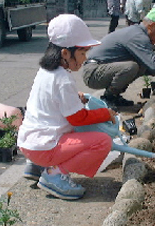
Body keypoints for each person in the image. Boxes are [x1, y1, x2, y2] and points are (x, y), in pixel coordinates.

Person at [17, 14, 117, 200]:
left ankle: (37, 166)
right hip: (45, 147)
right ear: (65, 53)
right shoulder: (63, 79)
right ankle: (55, 174)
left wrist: (76, 97)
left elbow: (53, 101)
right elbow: (78, 118)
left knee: (71, 133)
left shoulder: (47, 71)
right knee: (102, 141)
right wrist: (105, 113)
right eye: (82, 53)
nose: (84, 58)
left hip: (29, 144)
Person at [82, 8, 155, 108]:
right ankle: (109, 98)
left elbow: (149, 66)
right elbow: (154, 65)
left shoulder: (138, 32)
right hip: (93, 72)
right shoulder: (138, 36)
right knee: (131, 67)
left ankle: (114, 96)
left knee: (140, 65)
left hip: (100, 68)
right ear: (153, 26)